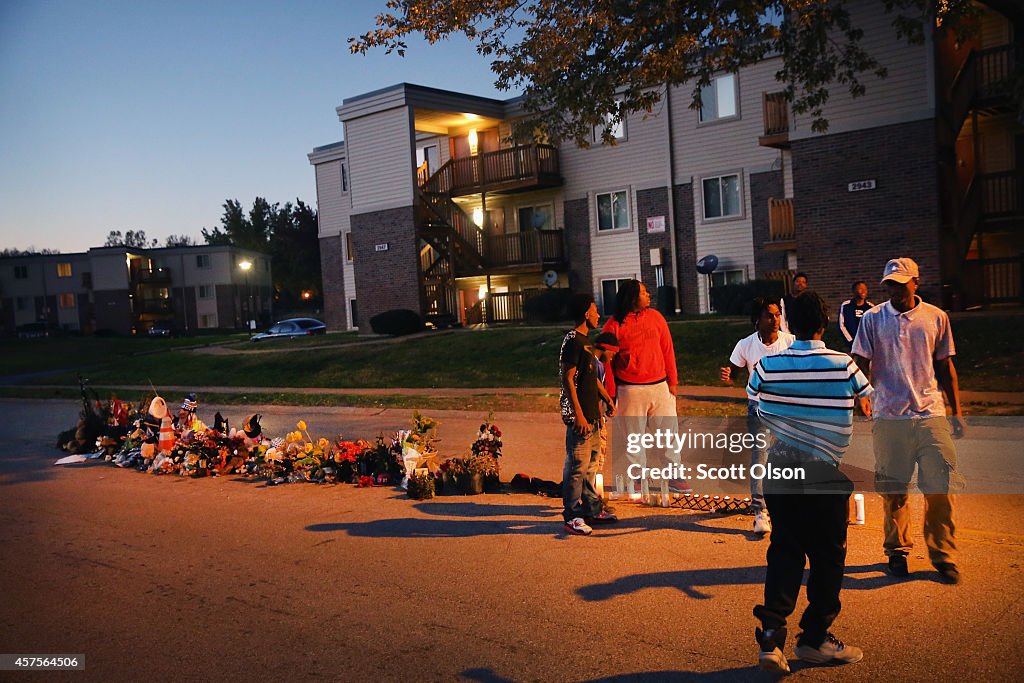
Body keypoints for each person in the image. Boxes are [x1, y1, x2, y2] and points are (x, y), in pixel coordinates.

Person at [748, 290, 873, 673]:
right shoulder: (844, 364)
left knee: (784, 550)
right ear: (824, 324)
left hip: (780, 468)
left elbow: (755, 400)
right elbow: (867, 402)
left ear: (789, 325)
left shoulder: (768, 366)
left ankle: (771, 637)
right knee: (828, 557)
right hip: (823, 471)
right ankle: (814, 638)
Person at [851, 258, 964, 584]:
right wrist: (861, 397)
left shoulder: (935, 317)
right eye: (890, 285)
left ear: (916, 281)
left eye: (901, 284)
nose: (896, 291)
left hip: (931, 414)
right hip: (889, 417)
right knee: (894, 490)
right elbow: (859, 362)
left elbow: (945, 367)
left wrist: (957, 412)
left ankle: (943, 554)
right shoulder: (873, 319)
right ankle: (897, 551)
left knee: (941, 488)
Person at [720, 298, 795, 535]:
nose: (775, 320)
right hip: (759, 406)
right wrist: (727, 375)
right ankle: (760, 511)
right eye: (769, 316)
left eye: (776, 315)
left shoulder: (790, 341)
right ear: (757, 320)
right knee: (760, 455)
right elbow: (732, 369)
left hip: (786, 407)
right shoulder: (745, 345)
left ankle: (787, 508)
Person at [601, 280, 682, 490]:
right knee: (634, 438)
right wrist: (610, 393)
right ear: (632, 298)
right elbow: (606, 362)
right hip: (630, 389)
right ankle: (637, 479)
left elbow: (668, 349)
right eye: (644, 292)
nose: (648, 295)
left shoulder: (656, 317)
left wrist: (672, 380)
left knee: (668, 435)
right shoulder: (614, 325)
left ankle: (673, 475)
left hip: (659, 386)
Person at [560, 293, 618, 535]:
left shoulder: (585, 341)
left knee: (591, 467)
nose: (598, 314)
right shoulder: (573, 340)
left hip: (593, 416)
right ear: (586, 313)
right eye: (595, 310)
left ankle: (592, 510)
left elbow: (591, 377)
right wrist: (579, 415)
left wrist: (607, 399)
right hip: (581, 417)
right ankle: (571, 515)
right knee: (577, 468)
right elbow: (568, 380)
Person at [592, 331, 620, 482]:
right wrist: (599, 418)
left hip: (598, 414)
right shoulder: (595, 364)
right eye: (613, 352)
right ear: (605, 348)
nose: (613, 357)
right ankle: (592, 495)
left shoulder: (598, 364)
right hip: (594, 418)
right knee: (595, 458)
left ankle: (594, 493)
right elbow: (595, 391)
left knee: (597, 458)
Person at [838, 281, 873, 350]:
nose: (863, 291)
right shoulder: (846, 306)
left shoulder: (870, 307)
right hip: (850, 345)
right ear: (854, 291)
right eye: (860, 289)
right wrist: (851, 341)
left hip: (867, 346)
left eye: (865, 289)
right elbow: (841, 325)